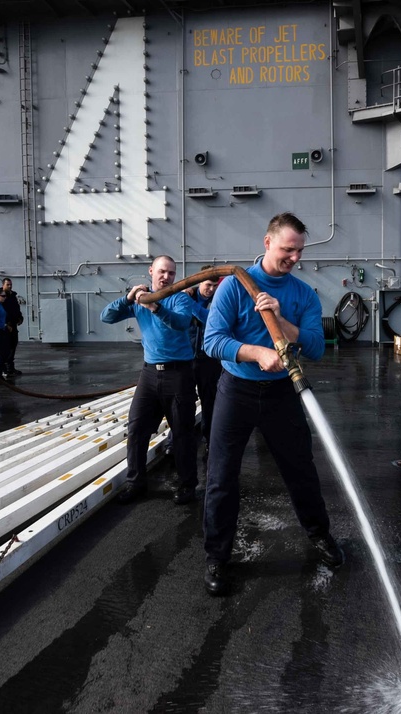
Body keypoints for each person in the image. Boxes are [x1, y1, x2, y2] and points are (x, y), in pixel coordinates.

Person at [201, 212, 344, 596]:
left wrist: (283, 322)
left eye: (299, 251)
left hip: (282, 392)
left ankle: (320, 535)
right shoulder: (234, 286)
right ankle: (217, 556)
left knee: (301, 470)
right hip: (236, 390)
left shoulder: (302, 294)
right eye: (287, 249)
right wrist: (255, 353)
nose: (294, 257)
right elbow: (212, 341)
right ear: (267, 243)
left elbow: (314, 346)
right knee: (221, 476)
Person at [100, 255, 199, 505]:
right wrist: (128, 298)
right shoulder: (138, 299)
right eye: (162, 272)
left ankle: (187, 485)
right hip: (150, 373)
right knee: (136, 429)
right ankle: (136, 482)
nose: (166, 277)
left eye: (172, 273)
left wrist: (156, 307)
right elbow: (106, 317)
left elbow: (180, 323)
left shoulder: (179, 298)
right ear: (151, 271)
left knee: (183, 432)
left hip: (179, 374)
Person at [186, 266, 222, 457]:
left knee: (210, 403)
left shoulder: (219, 301)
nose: (211, 289)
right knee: (182, 403)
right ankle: (174, 442)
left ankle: (209, 441)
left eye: (215, 286)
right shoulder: (187, 295)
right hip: (185, 358)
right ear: (200, 281)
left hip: (209, 360)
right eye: (208, 285)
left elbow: (209, 319)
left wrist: (188, 302)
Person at [0, 278, 24, 376]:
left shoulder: (13, 296)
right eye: (8, 285)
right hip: (5, 326)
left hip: (13, 325)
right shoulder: (0, 296)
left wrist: (20, 317)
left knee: (12, 346)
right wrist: (5, 323)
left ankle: (10, 368)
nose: (10, 286)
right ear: (3, 285)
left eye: (10, 284)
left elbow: (16, 308)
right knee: (5, 348)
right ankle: (3, 369)